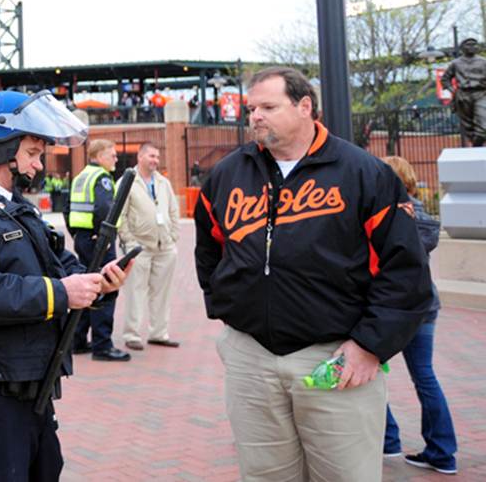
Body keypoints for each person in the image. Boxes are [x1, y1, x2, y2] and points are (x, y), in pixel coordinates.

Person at [193, 67, 433, 482]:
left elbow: (405, 272)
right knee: (265, 475)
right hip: (253, 357)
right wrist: (228, 311)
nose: (256, 117)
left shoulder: (363, 172)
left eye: (268, 107)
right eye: (252, 109)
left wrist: (370, 345)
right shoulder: (228, 174)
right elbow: (209, 251)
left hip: (336, 356)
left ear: (305, 107)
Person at [0, 90, 131, 481]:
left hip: (32, 379)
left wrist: (100, 282)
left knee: (46, 469)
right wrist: (63, 292)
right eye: (32, 151)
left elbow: (63, 267)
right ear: (1, 149)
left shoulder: (18, 210)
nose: (38, 162)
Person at [381, 156, 458, 475]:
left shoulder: (392, 216)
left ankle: (388, 440)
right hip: (424, 307)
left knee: (366, 374)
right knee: (424, 376)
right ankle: (442, 450)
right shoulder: (422, 215)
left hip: (391, 309)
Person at [68, 139, 130, 362]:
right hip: (99, 240)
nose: (115, 159)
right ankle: (102, 345)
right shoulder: (102, 178)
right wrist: (103, 236)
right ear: (99, 155)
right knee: (105, 288)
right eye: (111, 155)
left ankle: (78, 340)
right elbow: (105, 209)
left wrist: (76, 233)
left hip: (83, 238)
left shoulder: (81, 176)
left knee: (87, 287)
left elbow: (69, 208)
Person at [118, 142, 181, 351]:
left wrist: (173, 236)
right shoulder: (127, 181)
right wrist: (129, 241)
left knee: (161, 292)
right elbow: (120, 214)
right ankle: (132, 334)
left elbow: (173, 210)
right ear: (140, 157)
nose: (155, 160)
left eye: (157, 156)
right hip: (139, 247)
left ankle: (159, 333)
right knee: (135, 291)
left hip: (165, 247)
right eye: (151, 156)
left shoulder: (163, 182)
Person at [440, 37, 486, 147]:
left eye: (474, 45)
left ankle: (476, 147)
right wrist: (453, 91)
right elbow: (445, 79)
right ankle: (476, 150)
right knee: (468, 126)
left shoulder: (483, 62)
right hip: (463, 95)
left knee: (483, 127)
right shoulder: (456, 63)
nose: (472, 47)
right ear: (462, 48)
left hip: (481, 94)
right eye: (468, 45)